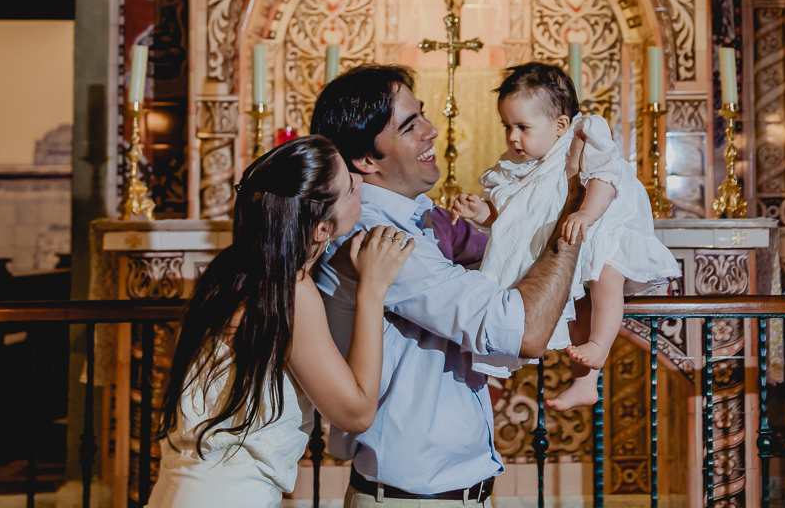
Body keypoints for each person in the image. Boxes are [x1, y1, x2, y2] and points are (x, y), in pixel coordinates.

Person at [311, 65, 585, 507]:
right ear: (365, 159)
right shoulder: (379, 238)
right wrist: (574, 206)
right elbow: (523, 329)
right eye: (409, 125)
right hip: (413, 499)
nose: (432, 131)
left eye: (422, 115)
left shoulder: (419, 220)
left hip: (449, 493)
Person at [151, 136, 412, 508]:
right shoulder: (291, 291)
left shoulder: (228, 272)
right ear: (322, 229)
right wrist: (373, 288)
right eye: (351, 187)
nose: (361, 181)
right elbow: (355, 412)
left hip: (177, 490)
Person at [451, 62, 680, 409]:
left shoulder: (583, 136)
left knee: (606, 276)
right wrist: (479, 213)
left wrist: (587, 212)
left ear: (560, 125)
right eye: (507, 126)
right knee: (572, 304)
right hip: (576, 239)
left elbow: (606, 178)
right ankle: (585, 383)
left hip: (607, 224)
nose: (513, 136)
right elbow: (512, 217)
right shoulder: (517, 167)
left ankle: (600, 348)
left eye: (523, 127)